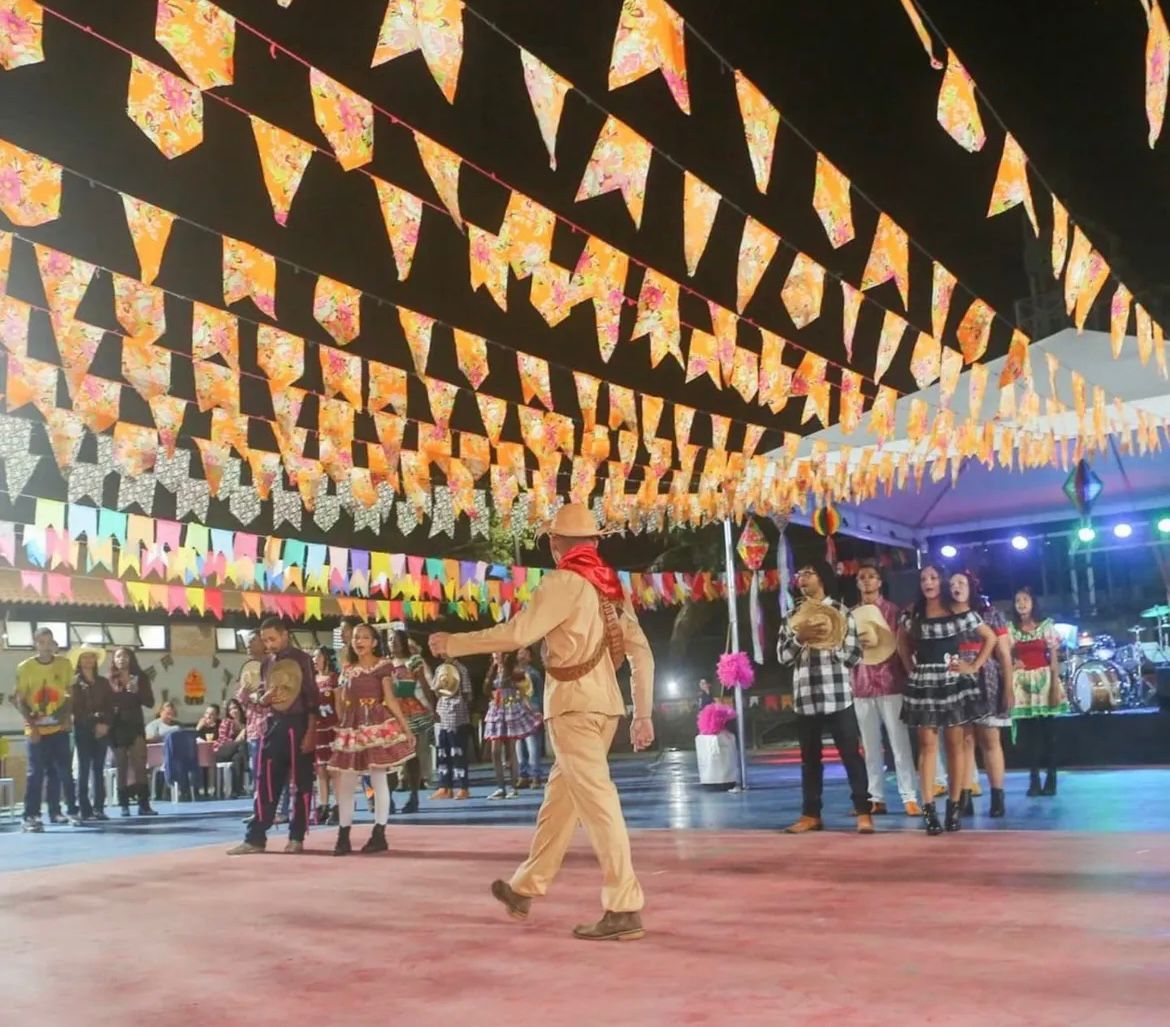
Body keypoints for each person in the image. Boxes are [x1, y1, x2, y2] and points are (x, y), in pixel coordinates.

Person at [430, 502, 655, 942]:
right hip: (605, 708)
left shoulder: (562, 582)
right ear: (592, 542)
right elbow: (641, 654)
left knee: (599, 806)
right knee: (559, 805)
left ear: (556, 543)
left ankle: (624, 907)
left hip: (572, 707)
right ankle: (525, 888)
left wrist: (454, 643)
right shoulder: (610, 587)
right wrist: (642, 712)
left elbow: (518, 634)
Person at [898, 565, 997, 835]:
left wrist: (973, 666)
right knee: (927, 746)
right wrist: (911, 670)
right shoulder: (913, 612)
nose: (928, 583)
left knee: (955, 745)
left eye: (933, 578)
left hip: (952, 680)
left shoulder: (957, 610)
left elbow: (989, 637)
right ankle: (929, 809)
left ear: (941, 581)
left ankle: (954, 808)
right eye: (923, 579)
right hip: (925, 682)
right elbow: (902, 642)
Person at [777, 560, 872, 835]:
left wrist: (831, 643)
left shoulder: (841, 612)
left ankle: (863, 812)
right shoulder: (792, 615)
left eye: (808, 573)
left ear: (822, 578)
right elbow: (782, 657)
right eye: (800, 574)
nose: (802, 578)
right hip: (805, 698)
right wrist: (800, 638)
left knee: (851, 756)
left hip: (837, 696)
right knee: (809, 760)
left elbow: (854, 656)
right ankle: (811, 814)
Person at [227, 617, 320, 855]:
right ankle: (255, 838)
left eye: (272, 639)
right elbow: (262, 695)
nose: (269, 644)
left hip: (299, 724)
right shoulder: (267, 663)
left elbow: (312, 698)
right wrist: (262, 699)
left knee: (301, 784)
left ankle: (296, 837)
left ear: (285, 634)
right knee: (265, 781)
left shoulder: (302, 659)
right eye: (265, 640)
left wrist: (310, 732)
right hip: (274, 724)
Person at [329, 624, 416, 855]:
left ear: (375, 642)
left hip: (376, 723)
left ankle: (379, 834)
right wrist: (343, 721)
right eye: (356, 637)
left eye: (365, 637)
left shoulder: (382, 666)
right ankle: (343, 836)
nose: (359, 641)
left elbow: (390, 698)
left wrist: (406, 728)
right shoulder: (347, 668)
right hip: (353, 724)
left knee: (378, 779)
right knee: (347, 781)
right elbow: (342, 699)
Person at [850, 560, 920, 817]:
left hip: (891, 682)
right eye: (862, 577)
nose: (867, 581)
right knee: (869, 746)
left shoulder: (893, 611)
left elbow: (903, 645)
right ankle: (875, 797)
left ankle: (909, 796)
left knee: (899, 743)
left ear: (879, 582)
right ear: (857, 583)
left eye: (871, 576)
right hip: (861, 683)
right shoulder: (851, 614)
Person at [950, 571, 1013, 817]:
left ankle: (997, 796)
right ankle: (964, 797)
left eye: (961, 583)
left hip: (987, 678)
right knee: (964, 740)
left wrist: (1008, 686)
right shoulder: (945, 615)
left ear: (971, 586)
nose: (956, 587)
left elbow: (1004, 654)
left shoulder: (990, 613)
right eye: (952, 583)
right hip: (957, 678)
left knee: (990, 739)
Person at [16, 628, 79, 831]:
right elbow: (20, 700)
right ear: (35, 644)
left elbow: (70, 694)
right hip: (35, 729)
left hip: (59, 728)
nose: (46, 646)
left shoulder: (64, 664)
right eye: (41, 642)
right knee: (35, 773)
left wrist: (66, 717)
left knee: (59, 772)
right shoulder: (25, 667)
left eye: (49, 642)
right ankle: (30, 815)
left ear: (53, 643)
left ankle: (56, 811)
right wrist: (33, 727)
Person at [1008, 588, 1066, 797]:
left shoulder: (1046, 627)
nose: (1021, 604)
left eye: (1025, 599)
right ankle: (1034, 780)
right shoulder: (1011, 629)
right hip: (1023, 685)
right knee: (1030, 736)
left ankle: (1051, 779)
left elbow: (1054, 659)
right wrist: (1014, 662)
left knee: (1048, 734)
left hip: (1044, 682)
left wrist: (1054, 686)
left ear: (1033, 603)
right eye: (1018, 600)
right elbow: (1005, 654)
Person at [386, 630, 436, 814]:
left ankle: (414, 796)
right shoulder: (384, 663)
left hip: (410, 710)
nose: (394, 643)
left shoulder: (414, 661)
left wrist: (432, 706)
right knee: (389, 757)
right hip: (390, 711)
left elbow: (424, 684)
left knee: (412, 755)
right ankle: (387, 797)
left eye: (397, 639)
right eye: (390, 640)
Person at [484, 652, 541, 799]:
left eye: (498, 652)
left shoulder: (513, 671)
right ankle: (500, 787)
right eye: (494, 652)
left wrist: (532, 709)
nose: (495, 655)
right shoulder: (493, 670)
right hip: (496, 710)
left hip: (511, 709)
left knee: (511, 750)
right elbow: (488, 689)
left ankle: (513, 787)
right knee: (495, 751)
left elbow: (524, 691)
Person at [108, 646, 156, 816]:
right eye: (118, 656)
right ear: (114, 660)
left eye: (125, 656)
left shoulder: (140, 677)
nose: (122, 659)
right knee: (121, 765)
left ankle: (144, 804)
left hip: (135, 724)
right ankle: (124, 804)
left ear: (131, 659)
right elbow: (106, 703)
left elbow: (150, 702)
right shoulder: (109, 679)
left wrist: (138, 692)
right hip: (116, 726)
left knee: (139, 765)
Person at [70, 644, 114, 821]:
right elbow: (75, 709)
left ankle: (99, 808)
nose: (88, 660)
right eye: (85, 657)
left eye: (91, 657)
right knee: (84, 768)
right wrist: (92, 724)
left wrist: (105, 725)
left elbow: (111, 706)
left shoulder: (103, 682)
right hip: (82, 728)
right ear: (79, 661)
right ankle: (84, 808)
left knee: (98, 768)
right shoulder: (74, 683)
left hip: (102, 728)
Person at [430, 658, 474, 800]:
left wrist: (462, 709)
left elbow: (467, 693)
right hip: (442, 710)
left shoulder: (462, 669)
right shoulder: (440, 668)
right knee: (442, 752)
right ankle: (445, 786)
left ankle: (463, 787)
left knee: (458, 751)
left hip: (457, 713)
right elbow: (436, 689)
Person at [312, 647, 340, 825]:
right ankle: (323, 805)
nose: (314, 660)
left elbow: (339, 705)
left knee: (334, 769)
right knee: (320, 769)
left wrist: (341, 726)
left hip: (332, 728)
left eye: (317, 656)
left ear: (326, 658)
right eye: (313, 657)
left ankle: (338, 805)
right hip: (317, 729)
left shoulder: (334, 680)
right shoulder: (311, 680)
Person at [515, 647, 546, 788]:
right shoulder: (513, 672)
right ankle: (523, 775)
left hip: (532, 711)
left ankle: (535, 775)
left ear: (530, 658)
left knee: (532, 744)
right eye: (520, 653)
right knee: (519, 745)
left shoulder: (534, 674)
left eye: (525, 653)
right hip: (517, 711)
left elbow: (540, 693)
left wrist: (540, 710)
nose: (521, 655)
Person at [213, 698, 250, 798]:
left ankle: (236, 790)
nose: (234, 711)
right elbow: (223, 739)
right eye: (231, 709)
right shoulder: (227, 722)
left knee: (238, 758)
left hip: (237, 752)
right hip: (222, 750)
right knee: (242, 744)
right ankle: (247, 767)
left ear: (239, 708)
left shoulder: (245, 722)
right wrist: (241, 734)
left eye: (235, 708)